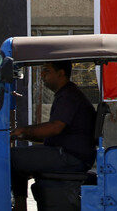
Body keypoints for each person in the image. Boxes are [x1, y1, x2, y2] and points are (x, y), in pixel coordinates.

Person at [10, 61, 96, 211]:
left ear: (61, 73)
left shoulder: (68, 96)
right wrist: (23, 135)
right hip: (70, 154)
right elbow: (53, 133)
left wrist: (23, 131)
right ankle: (19, 205)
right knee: (18, 161)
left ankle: (19, 206)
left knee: (10, 158)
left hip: (70, 157)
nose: (42, 75)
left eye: (46, 71)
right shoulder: (65, 94)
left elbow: (55, 128)